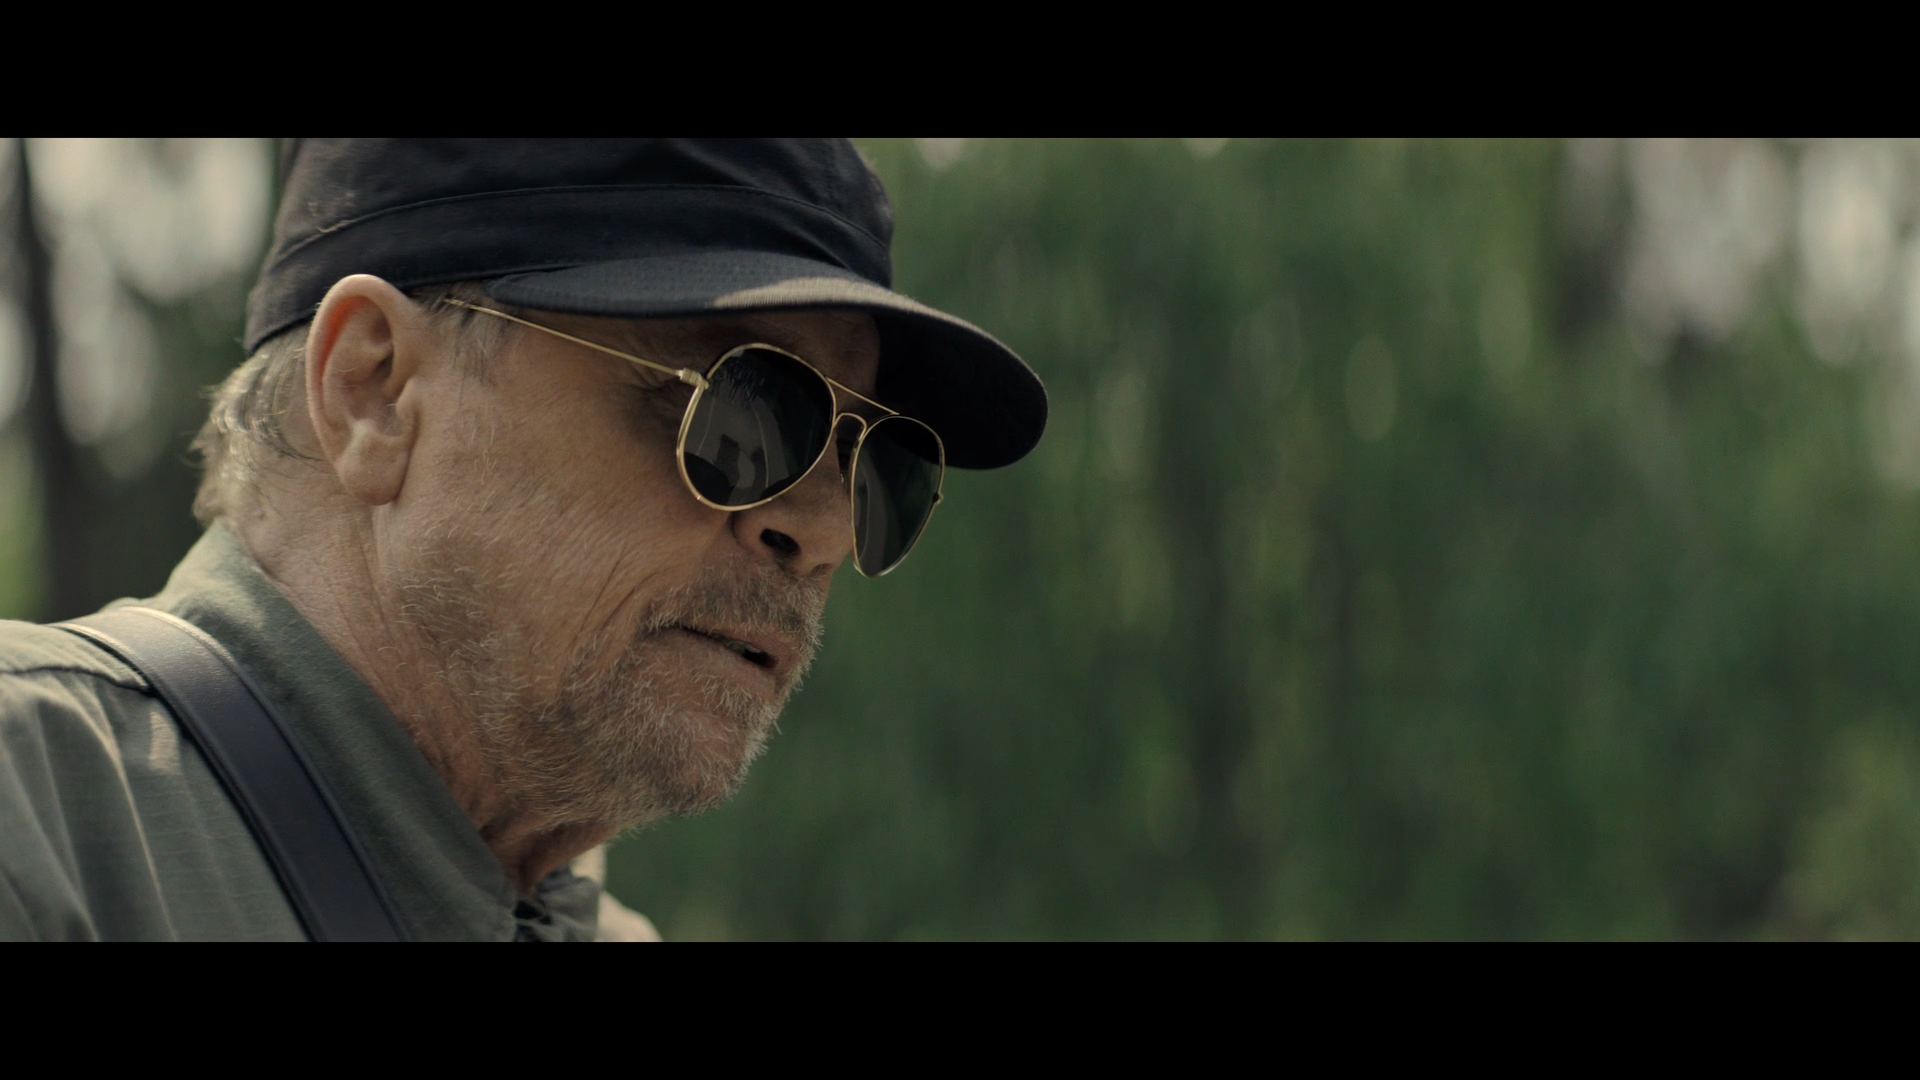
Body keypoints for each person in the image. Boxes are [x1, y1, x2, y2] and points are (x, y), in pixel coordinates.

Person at [0, 139, 1046, 941]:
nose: (820, 530)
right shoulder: (36, 814)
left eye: (873, 463)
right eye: (746, 410)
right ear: (373, 392)